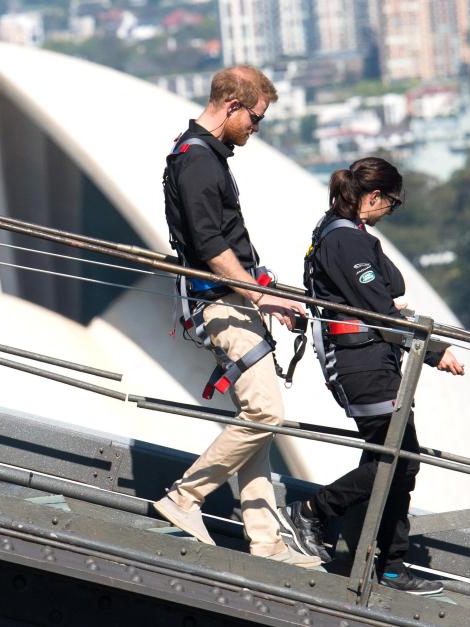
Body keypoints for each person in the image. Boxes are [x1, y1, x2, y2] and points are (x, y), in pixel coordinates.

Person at [155, 65, 320, 568]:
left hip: (232, 297)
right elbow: (210, 246)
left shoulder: (201, 156)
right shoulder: (198, 162)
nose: (256, 127)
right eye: (256, 117)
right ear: (232, 105)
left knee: (259, 417)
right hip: (219, 301)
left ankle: (266, 541)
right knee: (265, 413)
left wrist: (263, 293)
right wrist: (261, 297)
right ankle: (184, 497)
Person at [278, 157, 465, 593]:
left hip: (369, 360)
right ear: (374, 197)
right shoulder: (345, 241)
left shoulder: (342, 232)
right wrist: (436, 353)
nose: (389, 214)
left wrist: (381, 284)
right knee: (399, 457)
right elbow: (383, 310)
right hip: (360, 363)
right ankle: (310, 512)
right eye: (391, 205)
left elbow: (387, 289)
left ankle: (389, 563)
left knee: (394, 458)